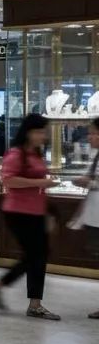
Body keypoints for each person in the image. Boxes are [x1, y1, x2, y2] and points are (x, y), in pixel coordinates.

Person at [0, 113, 60, 319]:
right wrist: (40, 183)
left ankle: (33, 303)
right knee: (34, 256)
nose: (43, 136)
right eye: (40, 131)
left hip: (37, 212)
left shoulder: (36, 154)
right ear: (29, 132)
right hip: (18, 213)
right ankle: (6, 287)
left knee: (38, 256)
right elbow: (9, 181)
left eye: (44, 132)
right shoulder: (15, 154)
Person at [69, 117, 99, 319]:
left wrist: (86, 181)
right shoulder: (96, 155)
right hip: (94, 217)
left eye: (93, 133)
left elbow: (93, 181)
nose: (89, 137)